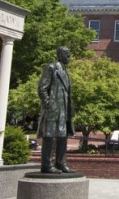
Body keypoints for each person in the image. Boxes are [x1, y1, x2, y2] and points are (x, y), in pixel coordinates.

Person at [37, 46, 75, 174]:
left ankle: (61, 163)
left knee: (63, 136)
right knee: (49, 136)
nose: (69, 57)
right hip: (53, 109)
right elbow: (42, 88)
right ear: (60, 55)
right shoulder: (51, 67)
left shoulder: (65, 71)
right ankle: (47, 165)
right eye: (67, 55)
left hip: (64, 110)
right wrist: (49, 104)